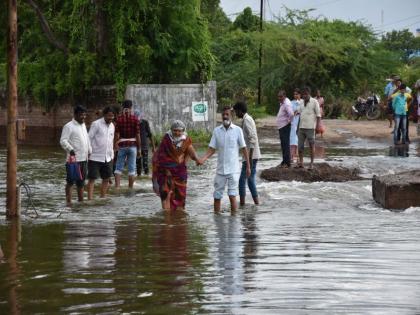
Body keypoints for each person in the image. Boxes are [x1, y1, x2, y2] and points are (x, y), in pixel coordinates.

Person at [199, 106, 251, 213]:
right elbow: (212, 149)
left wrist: (248, 167)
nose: (225, 117)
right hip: (220, 170)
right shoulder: (217, 131)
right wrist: (203, 159)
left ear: (232, 116)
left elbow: (244, 149)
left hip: (233, 170)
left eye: (227, 114)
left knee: (232, 196)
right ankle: (218, 222)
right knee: (217, 196)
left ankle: (234, 222)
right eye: (223, 115)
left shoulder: (238, 130)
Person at [152, 120, 201, 211]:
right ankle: (166, 216)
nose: (177, 133)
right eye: (175, 130)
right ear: (171, 130)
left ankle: (178, 215)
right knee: (165, 192)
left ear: (183, 130)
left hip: (180, 171)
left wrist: (198, 160)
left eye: (179, 130)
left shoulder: (186, 140)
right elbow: (161, 156)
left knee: (180, 195)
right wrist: (166, 170)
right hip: (165, 171)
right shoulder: (166, 139)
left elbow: (192, 153)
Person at [60, 105, 92, 206]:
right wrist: (70, 149)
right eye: (81, 114)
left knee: (81, 182)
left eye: (84, 114)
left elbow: (87, 139)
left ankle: (80, 202)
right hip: (73, 160)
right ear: (75, 114)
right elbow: (63, 141)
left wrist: (90, 150)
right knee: (70, 182)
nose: (83, 117)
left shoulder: (83, 125)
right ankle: (68, 202)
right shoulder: (68, 126)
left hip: (84, 159)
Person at [233, 101, 261, 206]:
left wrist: (249, 158)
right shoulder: (246, 119)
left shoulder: (247, 120)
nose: (236, 114)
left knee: (243, 181)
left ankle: (242, 204)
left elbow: (252, 139)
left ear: (240, 111)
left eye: (236, 111)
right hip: (251, 155)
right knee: (249, 180)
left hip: (251, 156)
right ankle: (255, 204)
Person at [87, 107, 115, 200]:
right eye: (109, 116)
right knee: (92, 179)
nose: (111, 118)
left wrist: (112, 155)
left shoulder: (112, 126)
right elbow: (89, 138)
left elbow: (111, 141)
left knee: (106, 179)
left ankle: (102, 198)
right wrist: (89, 151)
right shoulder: (96, 124)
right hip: (95, 156)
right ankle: (90, 199)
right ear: (104, 115)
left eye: (112, 116)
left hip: (107, 157)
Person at [114, 100, 141, 188]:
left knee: (118, 168)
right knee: (132, 169)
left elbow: (117, 134)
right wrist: (139, 149)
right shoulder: (135, 119)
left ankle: (117, 187)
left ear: (123, 106)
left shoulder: (119, 119)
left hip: (122, 145)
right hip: (133, 146)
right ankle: (130, 188)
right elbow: (137, 135)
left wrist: (115, 144)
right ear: (131, 107)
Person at [297, 87, 321, 169]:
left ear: (309, 94)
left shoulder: (314, 102)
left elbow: (318, 115)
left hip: (311, 128)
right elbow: (298, 112)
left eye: (306, 94)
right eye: (303, 94)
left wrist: (318, 126)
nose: (304, 96)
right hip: (301, 127)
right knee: (300, 146)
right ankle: (301, 162)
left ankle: (311, 163)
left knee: (311, 145)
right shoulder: (301, 102)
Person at [134, 110, 155, 176]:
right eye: (136, 116)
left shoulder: (145, 122)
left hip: (144, 146)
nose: (137, 118)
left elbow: (150, 135)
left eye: (138, 116)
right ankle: (139, 175)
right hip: (136, 146)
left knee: (145, 163)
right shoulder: (133, 123)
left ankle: (146, 175)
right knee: (138, 164)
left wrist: (153, 147)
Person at [276, 90, 294, 168]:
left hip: (285, 126)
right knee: (283, 144)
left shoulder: (286, 104)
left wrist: (288, 121)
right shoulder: (283, 102)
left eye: (281, 97)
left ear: (284, 96)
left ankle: (287, 163)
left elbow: (292, 114)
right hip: (282, 126)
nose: (279, 98)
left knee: (285, 144)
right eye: (278, 96)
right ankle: (284, 161)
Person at [290, 88, 303, 163]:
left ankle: (298, 157)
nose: (295, 95)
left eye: (297, 94)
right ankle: (291, 156)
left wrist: (299, 112)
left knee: (299, 139)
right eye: (294, 94)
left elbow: (303, 111)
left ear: (300, 95)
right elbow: (291, 112)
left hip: (301, 122)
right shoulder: (291, 103)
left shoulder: (303, 102)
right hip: (293, 122)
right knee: (292, 139)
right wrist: (294, 112)